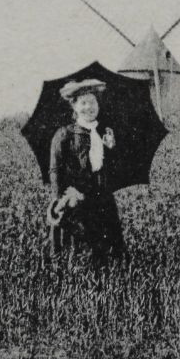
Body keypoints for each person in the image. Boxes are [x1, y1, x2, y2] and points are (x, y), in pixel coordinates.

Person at [47, 78, 127, 263]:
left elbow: (108, 170)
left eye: (93, 102)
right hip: (75, 198)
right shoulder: (64, 135)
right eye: (83, 102)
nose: (89, 107)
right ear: (74, 107)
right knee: (80, 252)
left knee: (108, 251)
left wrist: (111, 149)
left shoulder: (103, 133)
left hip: (101, 198)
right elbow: (55, 170)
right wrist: (62, 199)